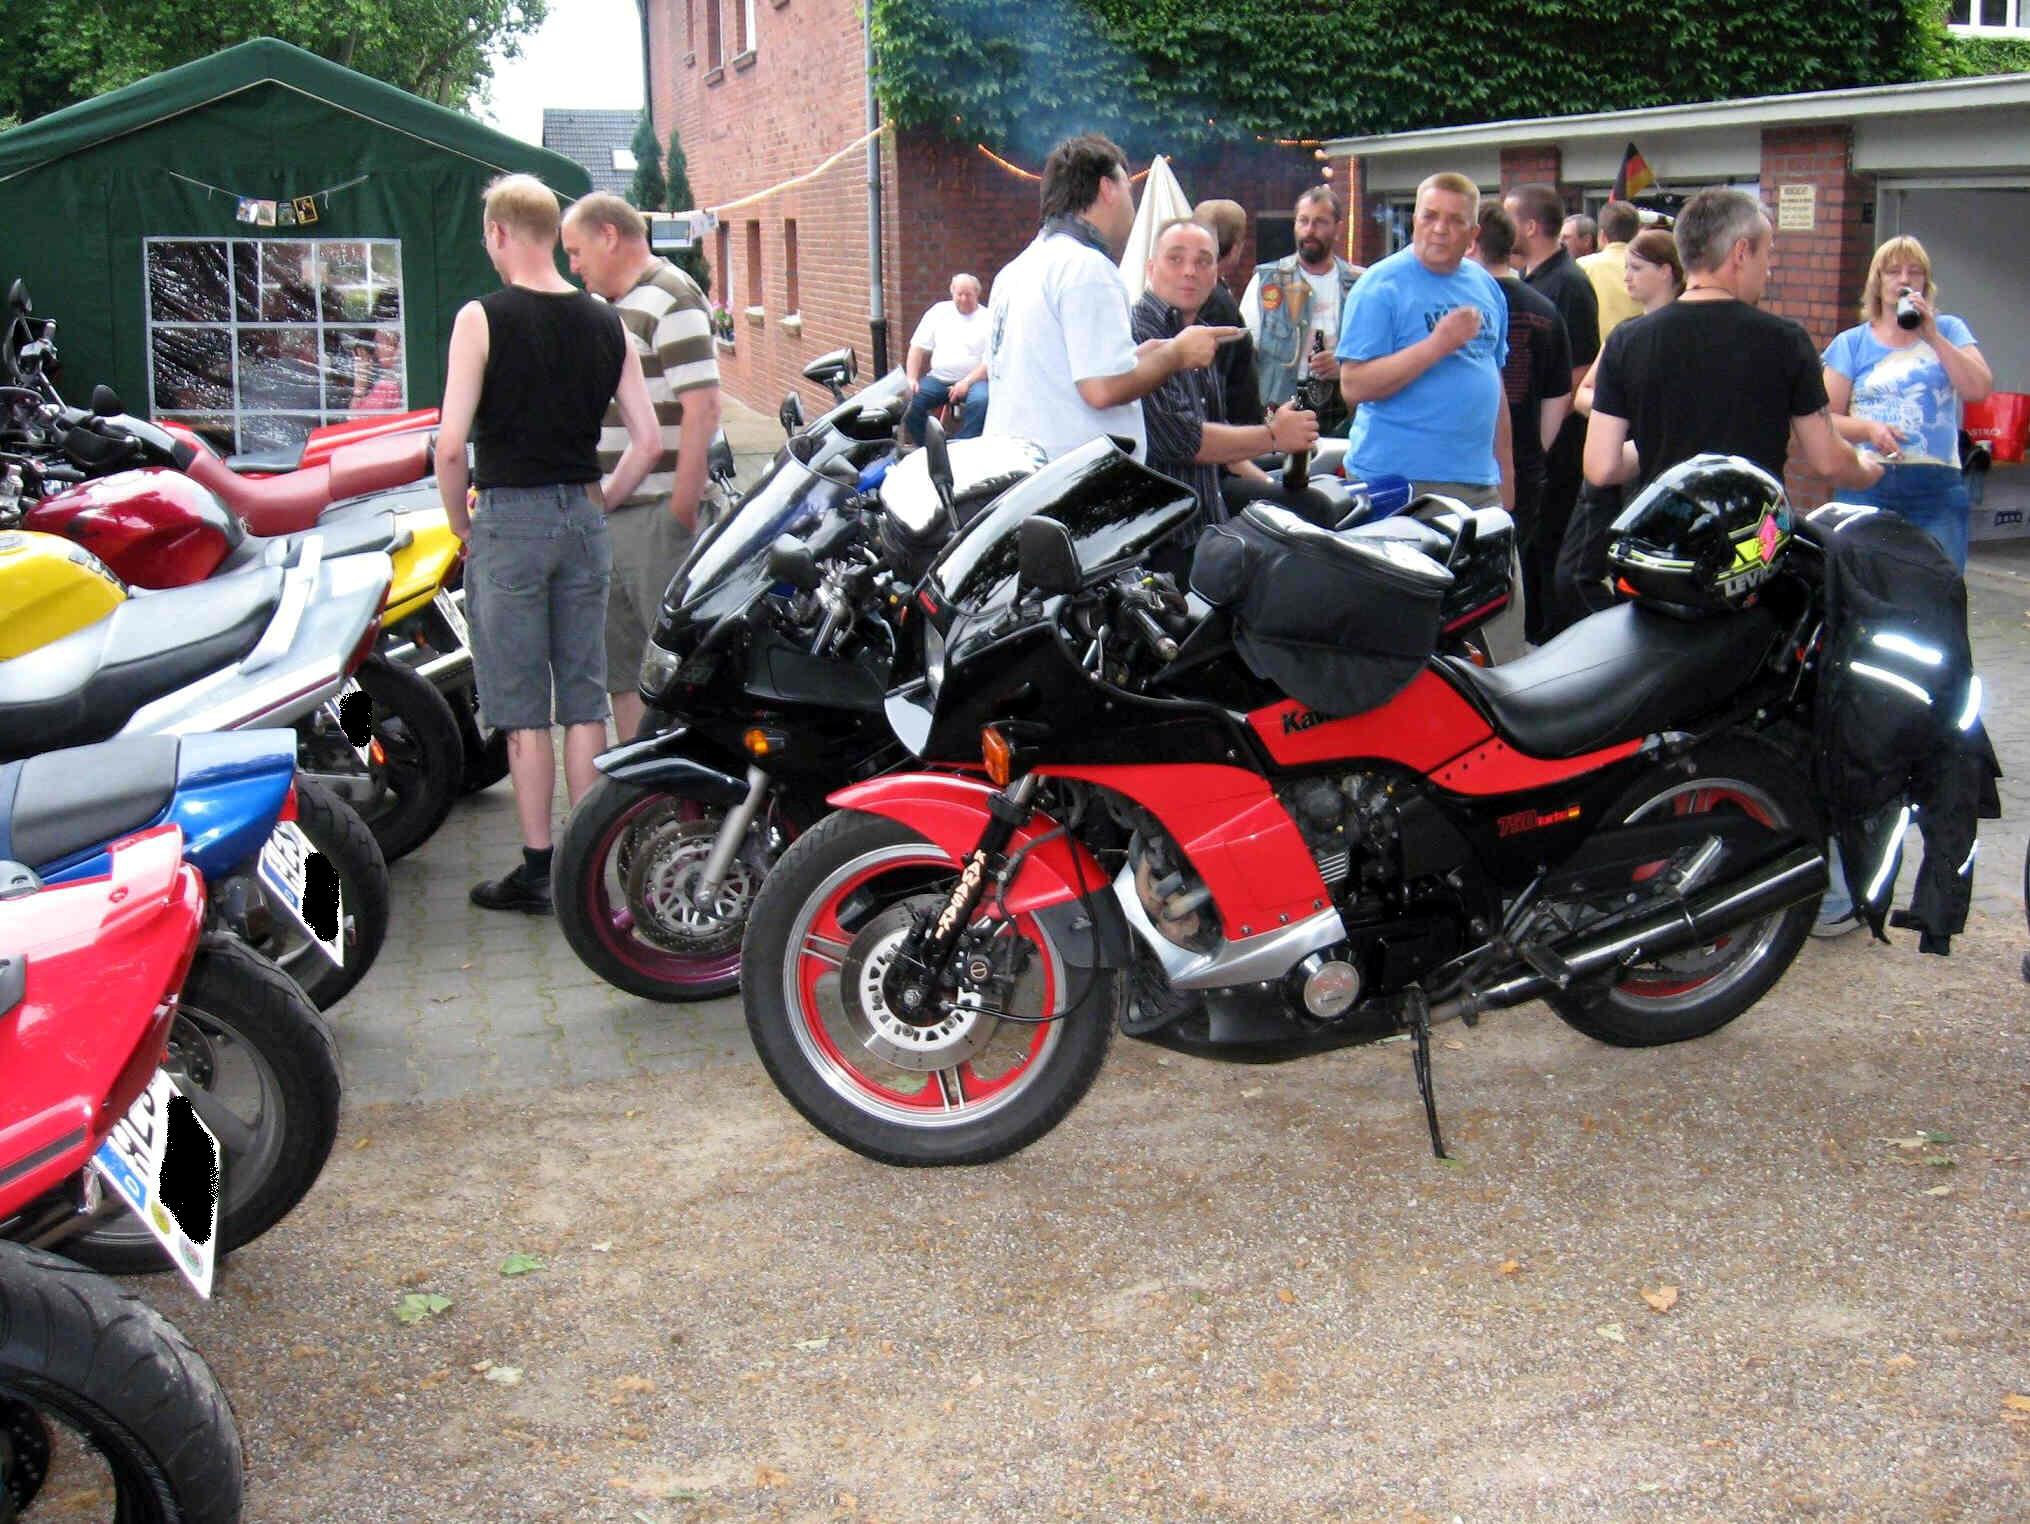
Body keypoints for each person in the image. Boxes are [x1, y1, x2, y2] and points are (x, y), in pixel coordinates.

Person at [436, 174, 661, 914]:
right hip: (583, 521)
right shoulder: (607, 322)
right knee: (585, 698)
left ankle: (539, 868)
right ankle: (588, 867)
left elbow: (449, 447)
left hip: (510, 522)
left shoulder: (481, 318)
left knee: (523, 706)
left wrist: (461, 525)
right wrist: (602, 499)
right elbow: (647, 440)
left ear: (499, 233)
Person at [560, 191, 725, 745]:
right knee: (624, 671)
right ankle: (640, 784)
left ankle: (684, 785)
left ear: (609, 236)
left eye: (576, 251)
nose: (573, 265)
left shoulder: (672, 295)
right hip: (608, 513)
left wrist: (681, 511)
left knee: (671, 669)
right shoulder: (607, 306)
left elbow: (703, 408)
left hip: (655, 516)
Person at [984, 133, 1232, 461]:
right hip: (1070, 477)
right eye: (1128, 188)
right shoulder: (1087, 267)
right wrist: (1177, 353)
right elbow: (1102, 388)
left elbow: (1054, 374)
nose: (1132, 205)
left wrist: (1139, 359)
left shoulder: (1016, 269)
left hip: (1022, 470)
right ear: (1107, 188)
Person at [1337, 171, 1514, 511]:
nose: (1440, 229)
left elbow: (1495, 385)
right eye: (1430, 216)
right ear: (1414, 220)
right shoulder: (1380, 286)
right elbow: (1354, 386)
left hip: (1480, 483)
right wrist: (1438, 345)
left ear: (1473, 234)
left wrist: (1505, 471)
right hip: (1398, 482)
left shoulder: (1486, 286)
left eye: (1455, 220)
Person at [1822, 235, 1992, 572]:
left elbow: (1978, 389)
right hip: (1868, 480)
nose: (1904, 279)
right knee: (1862, 581)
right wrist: (1868, 429)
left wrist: (1932, 336)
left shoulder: (1949, 329)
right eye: (1893, 271)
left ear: (1925, 283)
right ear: (1877, 282)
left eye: (1914, 272)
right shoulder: (1851, 343)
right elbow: (1824, 419)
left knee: (1939, 583)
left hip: (1935, 486)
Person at [1133, 218, 1317, 526]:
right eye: (1175, 259)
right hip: (1162, 532)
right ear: (1151, 269)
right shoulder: (1139, 333)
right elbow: (1185, 442)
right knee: (1314, 510)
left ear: (1215, 274)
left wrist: (1269, 485)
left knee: (1309, 508)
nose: (1190, 271)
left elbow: (1220, 441)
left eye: (1203, 261)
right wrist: (1274, 436)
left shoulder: (1201, 335)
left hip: (1206, 518)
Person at [1559, 226, 1684, 622]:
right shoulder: (1623, 334)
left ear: (1666, 271)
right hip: (1609, 459)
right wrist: (1617, 411)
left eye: (1637, 268)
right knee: (1575, 574)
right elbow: (1583, 393)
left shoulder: (1682, 334)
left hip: (1652, 469)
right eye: (1626, 267)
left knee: (1638, 573)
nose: (1627, 277)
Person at [1472, 202, 1571, 642]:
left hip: (1470, 462)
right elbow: (1559, 394)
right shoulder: (1544, 309)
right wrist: (1535, 448)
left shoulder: (1462, 303)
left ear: (1473, 242)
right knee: (1511, 571)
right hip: (1527, 465)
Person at [1505, 182, 1599, 643]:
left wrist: (1541, 444)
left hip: (1556, 451)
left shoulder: (1569, 285)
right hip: (1529, 448)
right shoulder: (1531, 280)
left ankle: (1548, 643)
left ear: (1529, 226)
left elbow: (1576, 374)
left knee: (1547, 549)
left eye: (1507, 217)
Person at [1242, 186, 1362, 431]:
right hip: (1279, 408)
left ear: (1338, 229)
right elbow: (1244, 355)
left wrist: (1345, 367)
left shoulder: (1360, 284)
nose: (1310, 230)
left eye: (1320, 222)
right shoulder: (1267, 281)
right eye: (1303, 221)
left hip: (1344, 409)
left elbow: (1379, 354)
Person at [1191, 197, 1263, 430]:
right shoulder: (1216, 301)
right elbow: (1215, 381)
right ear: (1235, 248)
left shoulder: (1192, 293)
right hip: (1227, 434)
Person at [902, 273, 991, 444]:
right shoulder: (938, 312)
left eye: (968, 294)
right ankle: (931, 448)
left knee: (982, 402)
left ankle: (961, 447)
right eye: (959, 294)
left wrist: (966, 382)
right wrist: (911, 379)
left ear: (977, 294)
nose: (963, 299)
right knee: (909, 403)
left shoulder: (988, 318)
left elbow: (989, 362)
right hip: (938, 379)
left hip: (975, 381)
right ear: (952, 293)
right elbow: (917, 347)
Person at [1578, 199, 1645, 342]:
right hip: (1641, 347)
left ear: (1602, 236)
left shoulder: (1582, 266)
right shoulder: (1650, 267)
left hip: (1597, 351)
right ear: (1637, 233)